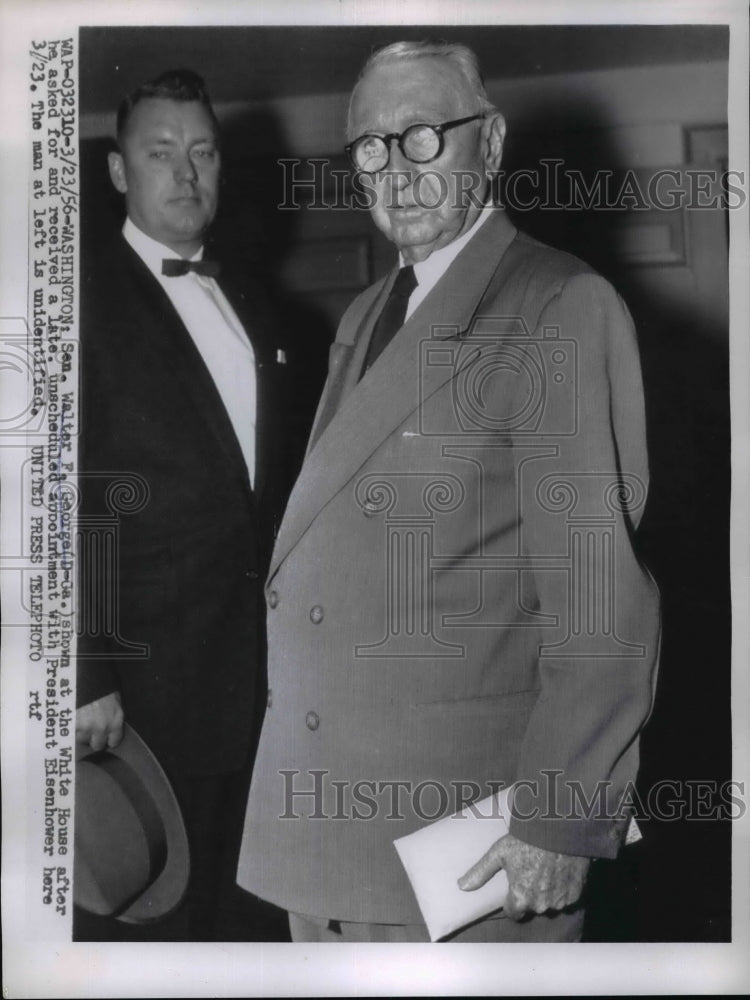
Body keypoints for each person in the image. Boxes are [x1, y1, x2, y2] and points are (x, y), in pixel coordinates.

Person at [237, 41, 661, 943]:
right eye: (370, 145)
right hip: (326, 834)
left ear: (491, 143)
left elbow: (599, 599)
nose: (397, 169)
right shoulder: (369, 311)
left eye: (424, 135)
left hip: (466, 850)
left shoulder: (555, 303)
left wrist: (559, 818)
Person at [75, 69, 290, 940]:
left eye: (203, 151)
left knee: (247, 916)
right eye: (160, 152)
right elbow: (42, 498)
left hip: (260, 683)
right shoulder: (73, 300)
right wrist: (86, 674)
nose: (186, 171)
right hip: (142, 690)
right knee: (153, 920)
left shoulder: (253, 302)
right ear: (118, 171)